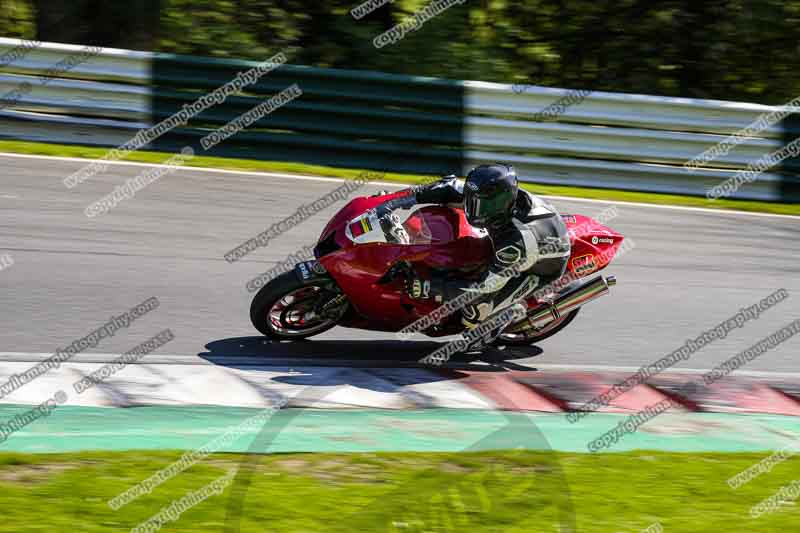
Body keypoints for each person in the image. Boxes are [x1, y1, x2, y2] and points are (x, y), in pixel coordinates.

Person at [374, 163, 571, 352]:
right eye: (471, 200)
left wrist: (430, 286)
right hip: (522, 239)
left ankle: (495, 325)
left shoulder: (515, 243)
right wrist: (396, 200)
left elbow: (483, 289)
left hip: (540, 268)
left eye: (481, 204)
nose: (472, 208)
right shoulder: (487, 199)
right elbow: (447, 186)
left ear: (501, 203)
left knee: (476, 312)